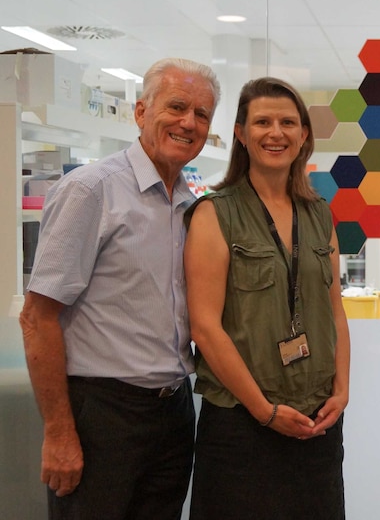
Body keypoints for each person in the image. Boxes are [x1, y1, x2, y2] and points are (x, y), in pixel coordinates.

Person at [19, 58, 220, 519]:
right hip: (103, 416)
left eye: (202, 114)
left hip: (172, 412)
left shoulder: (192, 208)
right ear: (140, 112)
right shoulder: (92, 191)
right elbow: (37, 317)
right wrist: (58, 430)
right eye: (176, 106)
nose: (189, 122)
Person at [184, 77, 350, 519]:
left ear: (303, 135)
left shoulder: (319, 214)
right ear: (241, 133)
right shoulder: (214, 213)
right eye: (262, 122)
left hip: (317, 422)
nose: (275, 133)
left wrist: (342, 390)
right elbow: (204, 325)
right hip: (242, 426)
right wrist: (264, 411)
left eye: (287, 122)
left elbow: (335, 309)